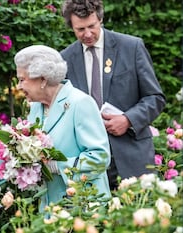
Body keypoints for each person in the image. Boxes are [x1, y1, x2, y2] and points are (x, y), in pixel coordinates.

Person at [0, 45, 111, 211]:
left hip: (83, 206)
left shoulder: (80, 103)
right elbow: (24, 154)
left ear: (42, 79)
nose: (19, 86)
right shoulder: (36, 107)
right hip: (50, 207)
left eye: (22, 80)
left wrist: (57, 166)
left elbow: (100, 157)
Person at [60, 0, 166, 190]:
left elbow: (155, 98)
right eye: (80, 29)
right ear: (71, 27)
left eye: (92, 26)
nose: (87, 34)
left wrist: (128, 119)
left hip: (132, 155)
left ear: (100, 18)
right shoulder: (65, 59)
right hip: (88, 164)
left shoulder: (132, 47)